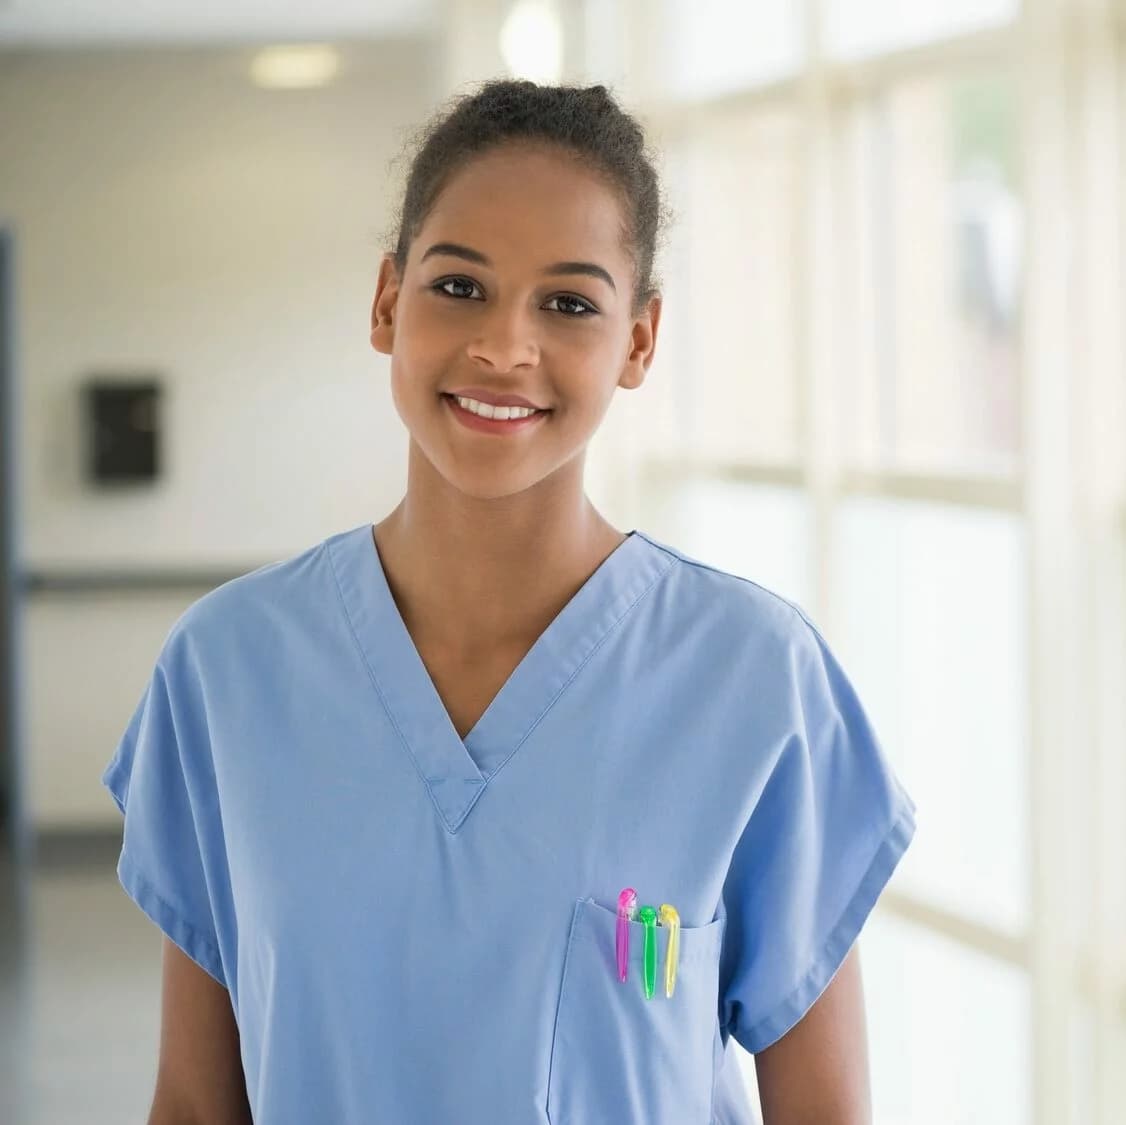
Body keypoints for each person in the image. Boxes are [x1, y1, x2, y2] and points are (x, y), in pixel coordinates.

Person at [101, 78, 916, 1125]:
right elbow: (195, 1104)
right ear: (386, 301)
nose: (504, 347)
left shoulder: (755, 679)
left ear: (638, 341)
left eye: (570, 303)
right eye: (458, 287)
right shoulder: (228, 669)